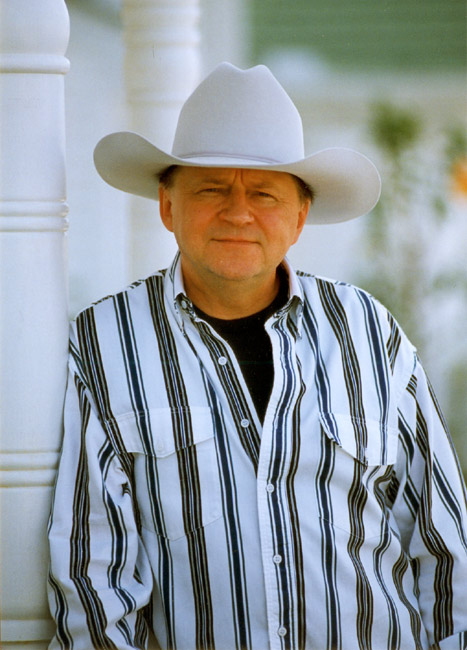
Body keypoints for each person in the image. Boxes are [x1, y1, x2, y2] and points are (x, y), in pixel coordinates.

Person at [47, 62, 467, 650]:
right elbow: (93, 580)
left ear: (299, 218)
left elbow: (445, 543)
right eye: (211, 188)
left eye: (264, 193)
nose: (238, 212)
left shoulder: (371, 333)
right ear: (167, 205)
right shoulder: (103, 345)